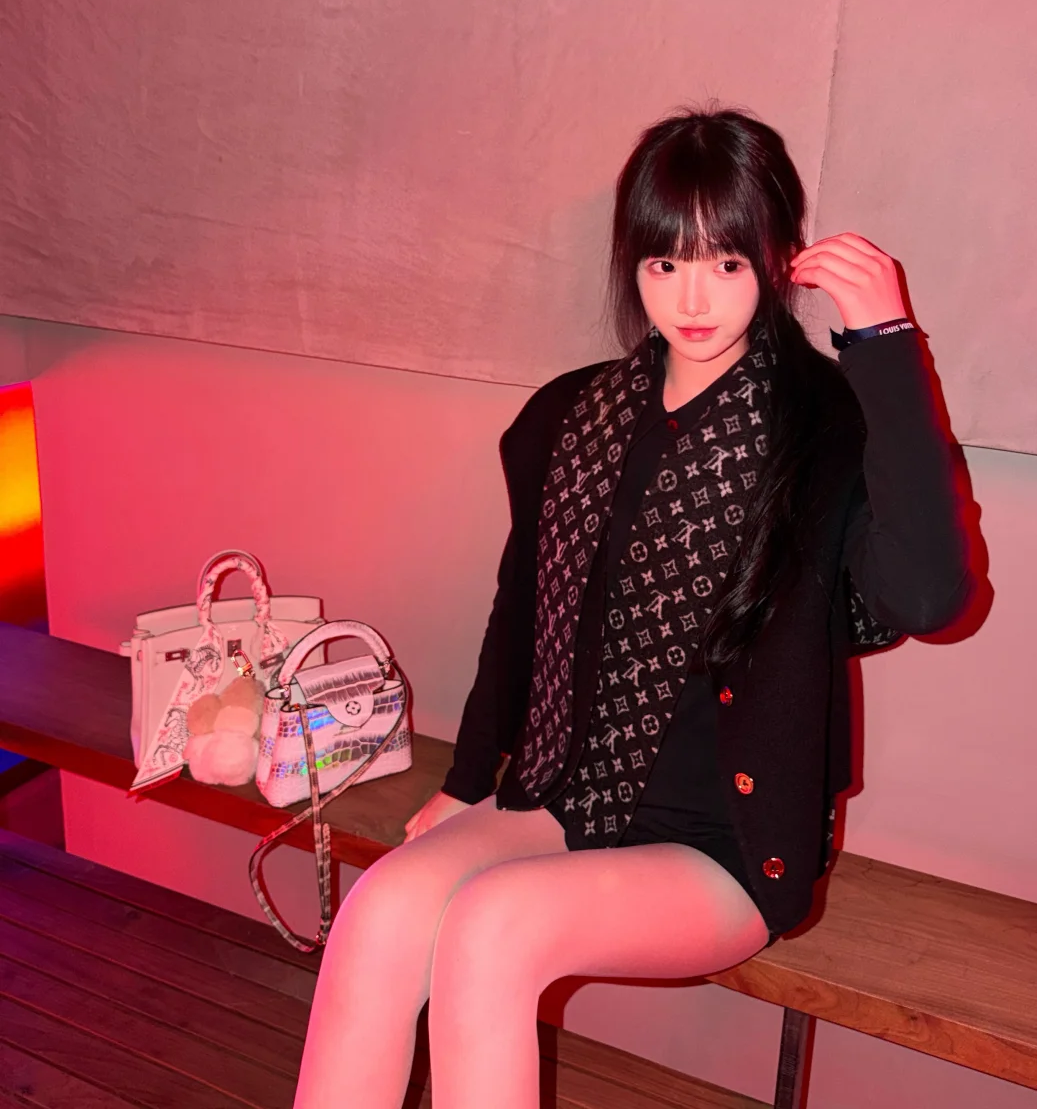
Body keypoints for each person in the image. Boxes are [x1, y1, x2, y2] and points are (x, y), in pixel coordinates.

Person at [293, 108, 973, 1109]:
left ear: (778, 257)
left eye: (726, 264)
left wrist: (886, 341)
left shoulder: (829, 425)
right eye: (664, 264)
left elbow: (928, 595)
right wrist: (468, 782)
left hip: (724, 841)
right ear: (633, 265)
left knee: (489, 934)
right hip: (569, 800)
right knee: (380, 913)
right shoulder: (572, 417)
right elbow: (521, 614)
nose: (692, 298)